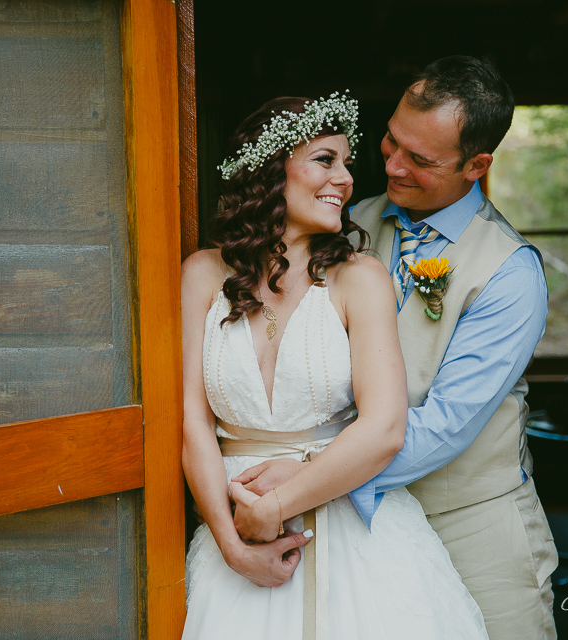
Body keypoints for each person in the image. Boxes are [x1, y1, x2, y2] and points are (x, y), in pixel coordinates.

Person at [234, 57, 559, 640]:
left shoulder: (510, 272)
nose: (391, 165)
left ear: (476, 166)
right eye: (390, 140)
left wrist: (305, 477)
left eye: (420, 159)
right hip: (351, 530)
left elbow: (445, 426)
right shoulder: (340, 223)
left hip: (471, 527)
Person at [180, 93, 488, 639]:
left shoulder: (359, 278)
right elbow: (193, 424)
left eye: (347, 163)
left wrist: (273, 505)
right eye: (326, 160)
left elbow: (384, 429)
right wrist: (232, 542)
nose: (345, 180)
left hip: (353, 534)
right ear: (271, 170)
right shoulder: (202, 275)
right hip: (235, 530)